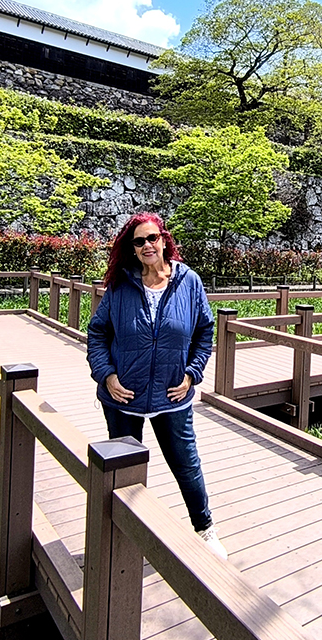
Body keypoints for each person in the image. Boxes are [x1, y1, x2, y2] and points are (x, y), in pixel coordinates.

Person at [86, 212, 227, 560]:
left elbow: (204, 331)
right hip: (123, 396)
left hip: (171, 395)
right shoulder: (120, 286)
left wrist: (192, 373)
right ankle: (121, 536)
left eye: (152, 238)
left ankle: (205, 529)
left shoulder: (188, 282)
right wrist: (107, 375)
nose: (147, 245)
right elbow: (98, 333)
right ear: (132, 249)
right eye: (139, 241)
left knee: (186, 464)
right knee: (122, 472)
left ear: (164, 241)